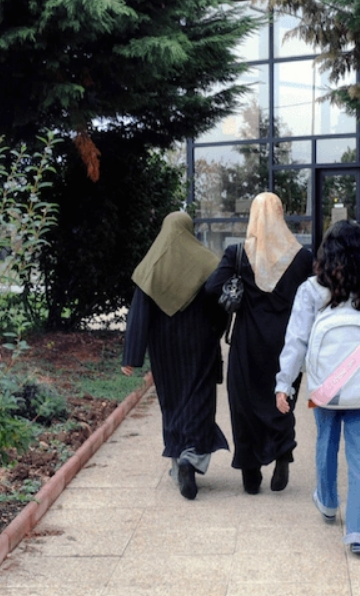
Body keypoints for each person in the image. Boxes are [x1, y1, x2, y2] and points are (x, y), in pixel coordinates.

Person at [275, 220, 360, 556]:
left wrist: (284, 383)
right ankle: (359, 532)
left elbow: (297, 340)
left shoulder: (312, 290)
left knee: (326, 443)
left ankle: (328, 501)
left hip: (325, 386)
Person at [205, 192, 313, 495]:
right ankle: (282, 455)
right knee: (282, 398)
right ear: (281, 215)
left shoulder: (237, 253)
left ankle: (250, 474)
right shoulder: (302, 257)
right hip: (287, 342)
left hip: (247, 342)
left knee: (244, 404)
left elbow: (212, 287)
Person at [120, 211, 230, 501]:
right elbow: (220, 304)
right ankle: (191, 457)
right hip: (199, 344)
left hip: (164, 349)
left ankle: (179, 456)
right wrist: (216, 332)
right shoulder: (206, 262)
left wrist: (131, 357)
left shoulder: (152, 265)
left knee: (171, 401)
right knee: (199, 398)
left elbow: (139, 313)